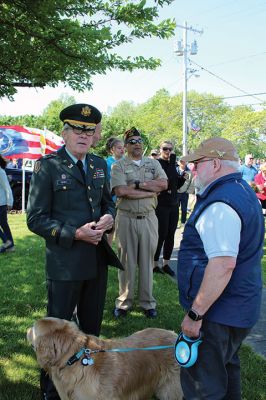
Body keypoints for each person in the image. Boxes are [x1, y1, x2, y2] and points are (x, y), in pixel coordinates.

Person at [27, 103, 122, 400]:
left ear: (95, 135)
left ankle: (88, 382)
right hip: (65, 262)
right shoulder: (48, 166)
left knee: (92, 328)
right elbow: (35, 219)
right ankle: (51, 391)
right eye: (77, 130)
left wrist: (110, 218)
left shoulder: (97, 165)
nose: (84, 135)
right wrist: (74, 233)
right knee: (57, 331)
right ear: (64, 133)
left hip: (96, 259)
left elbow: (108, 202)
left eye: (89, 131)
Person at [177, 137, 264, 400]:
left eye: (197, 164)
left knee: (203, 388)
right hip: (237, 309)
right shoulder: (242, 190)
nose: (192, 170)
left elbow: (223, 264)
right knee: (226, 375)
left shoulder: (220, 203)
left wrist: (195, 315)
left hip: (218, 314)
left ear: (215, 164)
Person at [111, 127, 167, 318]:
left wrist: (136, 185)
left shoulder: (153, 164)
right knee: (126, 262)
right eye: (132, 142)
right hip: (126, 218)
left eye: (139, 141)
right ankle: (123, 303)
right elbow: (120, 191)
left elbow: (163, 184)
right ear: (125, 146)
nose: (137, 144)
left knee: (147, 261)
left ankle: (148, 303)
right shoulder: (118, 166)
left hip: (149, 219)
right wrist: (150, 191)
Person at [153, 141, 185, 276]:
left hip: (173, 203)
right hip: (161, 204)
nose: (167, 151)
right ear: (160, 150)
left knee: (171, 234)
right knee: (161, 234)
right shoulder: (157, 163)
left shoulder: (173, 164)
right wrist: (172, 164)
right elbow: (165, 180)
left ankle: (166, 263)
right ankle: (154, 263)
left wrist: (182, 178)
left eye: (170, 149)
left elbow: (174, 184)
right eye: (165, 149)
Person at [0, 154, 15, 253]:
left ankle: (8, 242)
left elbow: (7, 188)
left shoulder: (1, 172)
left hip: (2, 203)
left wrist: (10, 202)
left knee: (4, 224)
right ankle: (10, 245)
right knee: (4, 224)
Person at [176, 159, 193, 229]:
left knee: (184, 209)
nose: (182, 163)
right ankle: (176, 222)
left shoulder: (189, 172)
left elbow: (191, 183)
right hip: (176, 193)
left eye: (184, 162)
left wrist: (188, 191)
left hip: (184, 193)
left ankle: (183, 222)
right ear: (178, 162)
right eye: (181, 162)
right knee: (175, 209)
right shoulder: (174, 170)